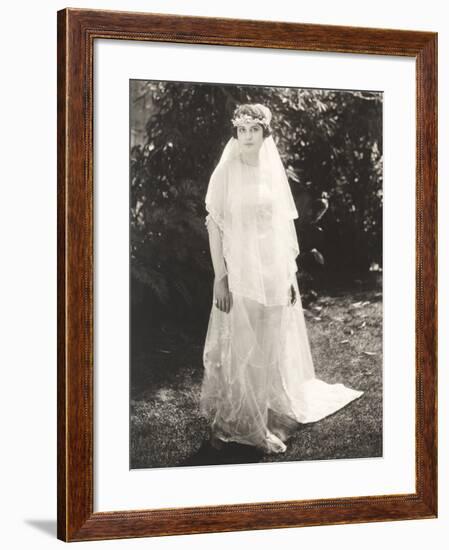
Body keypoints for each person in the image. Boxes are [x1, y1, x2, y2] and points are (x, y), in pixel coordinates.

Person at [200, 103, 363, 454]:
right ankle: (243, 426)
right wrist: (220, 276)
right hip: (242, 272)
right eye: (241, 130)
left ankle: (261, 419)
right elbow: (214, 225)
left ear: (264, 134)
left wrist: (289, 277)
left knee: (270, 350)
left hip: (273, 271)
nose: (246, 136)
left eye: (253, 130)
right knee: (244, 351)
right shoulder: (225, 172)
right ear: (236, 133)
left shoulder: (271, 173)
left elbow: (281, 230)